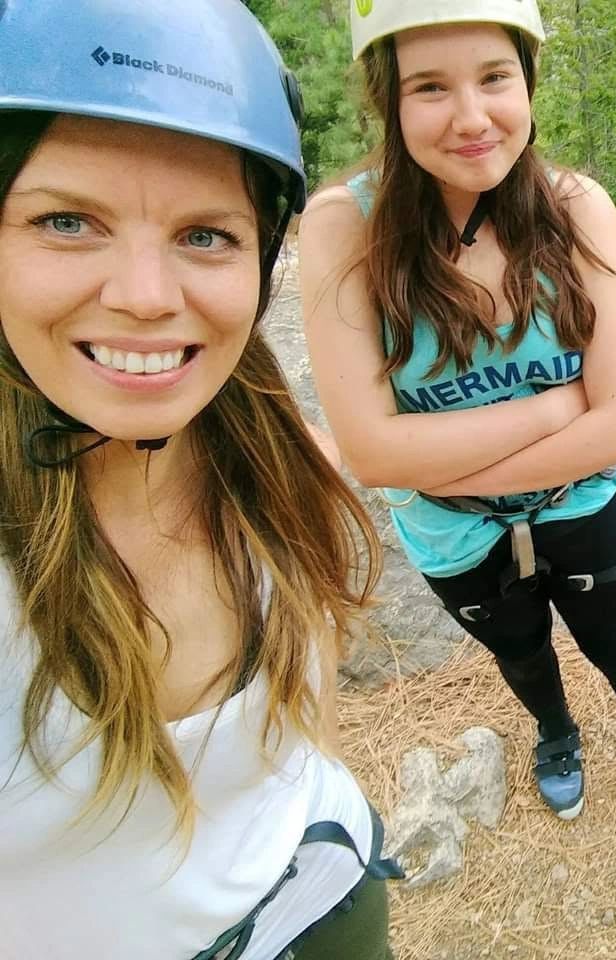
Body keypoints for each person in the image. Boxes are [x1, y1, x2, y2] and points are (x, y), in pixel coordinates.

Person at [0, 2, 401, 957]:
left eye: (206, 235)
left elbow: (306, 727)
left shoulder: (276, 457)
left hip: (320, 894)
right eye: (67, 221)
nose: (146, 296)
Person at [300, 0, 616, 830]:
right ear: (389, 101)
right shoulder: (344, 227)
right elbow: (372, 453)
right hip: (462, 531)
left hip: (549, 505)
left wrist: (436, 459)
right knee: (522, 652)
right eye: (430, 87)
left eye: (494, 77)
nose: (471, 117)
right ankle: (556, 733)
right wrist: (558, 406)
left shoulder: (575, 208)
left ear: (527, 82)